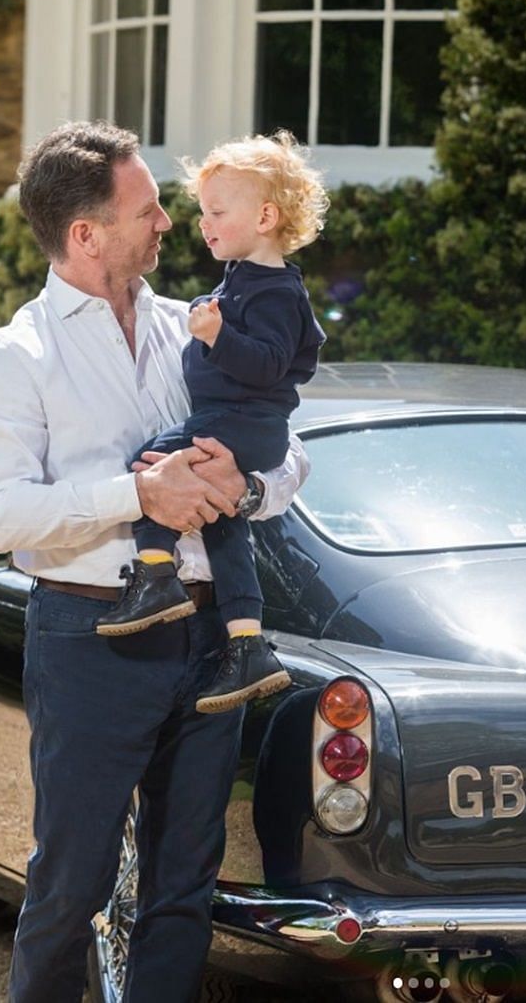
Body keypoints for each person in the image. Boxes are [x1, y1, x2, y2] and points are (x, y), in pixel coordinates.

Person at [0, 119, 308, 1003]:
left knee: (184, 891)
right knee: (67, 888)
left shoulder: (194, 324)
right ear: (86, 233)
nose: (168, 224)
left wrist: (250, 487)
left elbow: (288, 448)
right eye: (147, 210)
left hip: (209, 636)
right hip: (88, 639)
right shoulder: (13, 357)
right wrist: (135, 496)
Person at [95, 130, 328, 715]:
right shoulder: (244, 280)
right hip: (235, 423)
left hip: (243, 423)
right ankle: (247, 643)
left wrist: (217, 335)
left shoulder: (274, 290)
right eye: (204, 211)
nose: (202, 222)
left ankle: (154, 575)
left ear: (266, 215)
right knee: (224, 523)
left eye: (217, 211)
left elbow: (270, 363)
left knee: (150, 461)